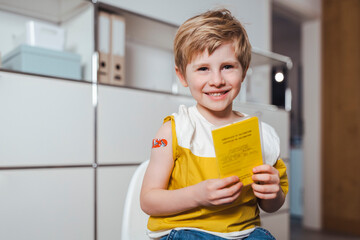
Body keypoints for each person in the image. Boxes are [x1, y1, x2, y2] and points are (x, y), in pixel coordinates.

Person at [140, 8, 288, 240]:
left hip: (245, 233)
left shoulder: (261, 134)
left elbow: (271, 205)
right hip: (188, 231)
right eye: (203, 69)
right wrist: (198, 195)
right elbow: (148, 200)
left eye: (227, 67)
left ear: (244, 71)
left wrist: (273, 193)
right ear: (182, 76)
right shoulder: (173, 131)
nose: (217, 80)